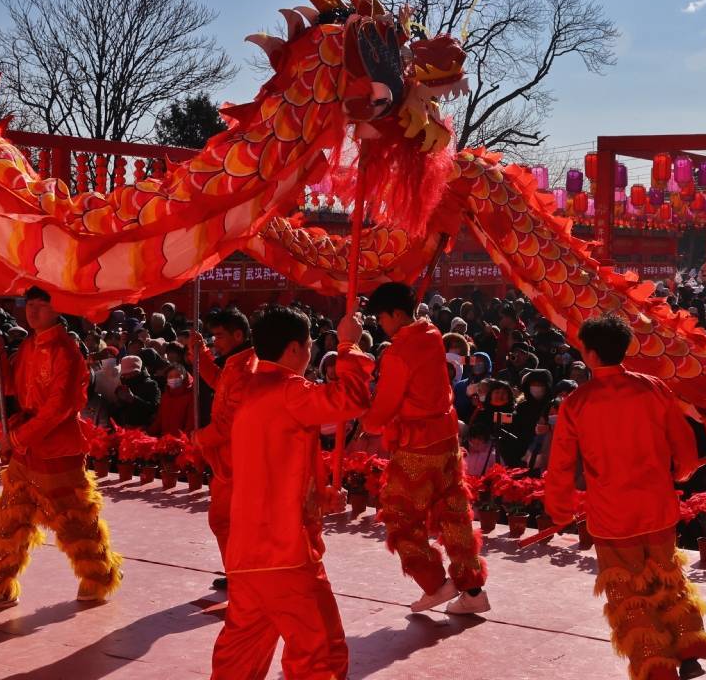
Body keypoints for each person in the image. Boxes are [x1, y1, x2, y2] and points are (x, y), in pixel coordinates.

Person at [546, 313, 706, 680]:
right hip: (657, 506)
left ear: (589, 355)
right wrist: (682, 471)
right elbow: (684, 444)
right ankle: (689, 650)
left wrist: (559, 510)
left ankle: (656, 666)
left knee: (628, 592)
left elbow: (560, 465)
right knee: (667, 575)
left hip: (613, 514)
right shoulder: (652, 387)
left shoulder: (577, 403)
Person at [210, 307, 372, 680]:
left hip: (249, 554)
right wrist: (349, 343)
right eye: (311, 345)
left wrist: (317, 499)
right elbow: (352, 398)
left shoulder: (250, 392)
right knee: (318, 653)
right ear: (297, 349)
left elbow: (277, 468)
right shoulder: (289, 390)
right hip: (284, 553)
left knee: (241, 654)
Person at [0, 286, 122, 612]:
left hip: (57, 451)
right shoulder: (27, 344)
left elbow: (58, 409)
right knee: (10, 518)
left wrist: (19, 437)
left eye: (41, 305)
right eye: (30, 304)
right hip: (26, 452)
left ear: (58, 309)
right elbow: (10, 386)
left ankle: (99, 575)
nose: (33, 311)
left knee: (74, 520)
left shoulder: (66, 352)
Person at [361, 283, 488, 615]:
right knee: (454, 513)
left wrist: (367, 421)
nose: (381, 323)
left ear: (397, 314)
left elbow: (384, 407)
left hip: (417, 446)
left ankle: (435, 584)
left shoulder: (398, 353)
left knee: (401, 518)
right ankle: (473, 590)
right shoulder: (432, 333)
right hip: (446, 439)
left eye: (382, 316)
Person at [192, 319, 259, 592]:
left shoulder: (246, 368)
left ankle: (242, 575)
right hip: (229, 460)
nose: (215, 341)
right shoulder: (236, 364)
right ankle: (237, 573)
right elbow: (219, 383)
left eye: (219, 335)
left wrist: (200, 437)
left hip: (238, 460)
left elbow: (229, 424)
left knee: (230, 521)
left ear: (238, 334)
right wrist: (202, 355)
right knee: (225, 521)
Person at [111, 354, 161, 428]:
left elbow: (154, 408)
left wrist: (133, 399)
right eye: (126, 374)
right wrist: (119, 403)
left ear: (139, 371)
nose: (129, 376)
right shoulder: (124, 384)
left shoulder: (150, 385)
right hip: (126, 428)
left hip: (144, 429)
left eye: (132, 373)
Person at [150, 364, 195, 436]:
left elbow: (190, 424)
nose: (173, 379)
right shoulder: (165, 396)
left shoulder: (191, 396)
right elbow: (159, 419)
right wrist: (148, 433)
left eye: (177, 376)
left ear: (184, 377)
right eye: (170, 377)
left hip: (181, 442)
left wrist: (183, 441)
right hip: (165, 440)